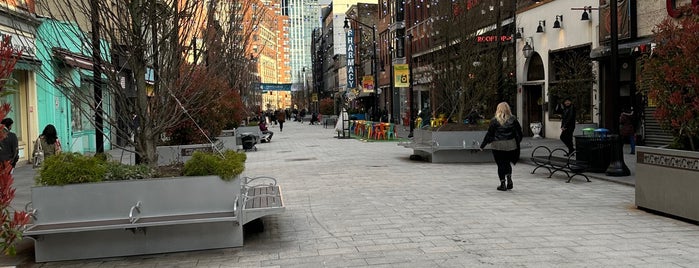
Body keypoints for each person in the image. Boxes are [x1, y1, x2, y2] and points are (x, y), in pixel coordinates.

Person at [480, 102, 523, 191]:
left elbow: (489, 134)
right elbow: (519, 131)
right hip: (510, 144)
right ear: (508, 109)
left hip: (498, 144)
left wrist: (482, 145)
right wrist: (517, 141)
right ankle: (509, 178)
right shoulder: (513, 119)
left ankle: (502, 183)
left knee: (500, 164)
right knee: (507, 162)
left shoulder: (494, 120)